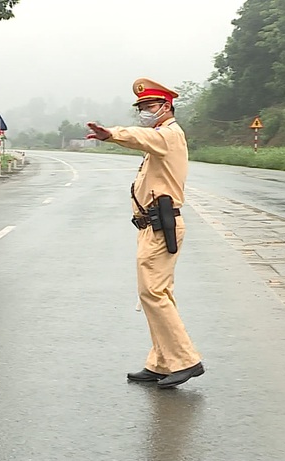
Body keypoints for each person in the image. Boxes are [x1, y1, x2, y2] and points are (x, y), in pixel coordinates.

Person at [86, 77, 204, 388]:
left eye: (149, 106)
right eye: (141, 107)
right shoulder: (161, 137)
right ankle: (161, 361)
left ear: (167, 106)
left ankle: (186, 360)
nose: (144, 112)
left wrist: (111, 134)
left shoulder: (169, 135)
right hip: (150, 227)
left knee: (153, 294)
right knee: (155, 294)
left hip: (160, 226)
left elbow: (138, 137)